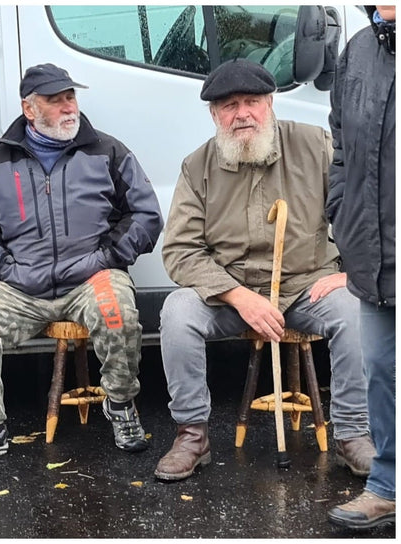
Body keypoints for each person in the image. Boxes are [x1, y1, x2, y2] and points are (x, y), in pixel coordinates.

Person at [155, 59, 375, 482]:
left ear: (270, 102)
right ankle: (191, 434)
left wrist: (353, 272)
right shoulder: (197, 166)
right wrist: (238, 296)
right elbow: (180, 250)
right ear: (214, 115)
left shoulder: (315, 145)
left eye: (252, 102)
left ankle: (352, 434)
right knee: (177, 311)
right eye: (230, 105)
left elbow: (364, 212)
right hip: (230, 293)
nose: (242, 114)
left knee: (353, 308)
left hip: (307, 285)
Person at [0, 63, 164, 466]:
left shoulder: (106, 150)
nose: (69, 107)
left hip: (90, 278)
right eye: (56, 100)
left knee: (116, 309)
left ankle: (120, 405)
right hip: (20, 285)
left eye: (71, 97)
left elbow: (146, 215)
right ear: (29, 110)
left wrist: (106, 258)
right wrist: (5, 269)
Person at [326, 5, 395, 530]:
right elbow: (343, 148)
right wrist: (340, 212)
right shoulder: (360, 51)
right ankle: (388, 485)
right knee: (383, 375)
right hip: (373, 255)